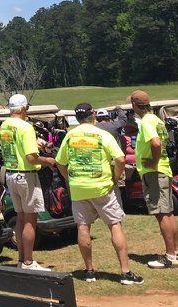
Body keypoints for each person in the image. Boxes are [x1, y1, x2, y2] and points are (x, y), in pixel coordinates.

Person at [56, 104, 144, 285]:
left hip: (79, 187)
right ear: (93, 115)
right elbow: (120, 158)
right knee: (114, 224)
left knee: (83, 227)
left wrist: (69, 179)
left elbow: (60, 162)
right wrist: (115, 177)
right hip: (102, 186)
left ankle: (89, 271)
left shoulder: (70, 135)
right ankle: (125, 272)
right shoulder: (102, 134)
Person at [0, 93, 56, 271]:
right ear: (23, 109)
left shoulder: (4, 126)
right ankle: (29, 261)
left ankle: (22, 259)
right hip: (26, 175)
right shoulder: (25, 127)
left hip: (11, 174)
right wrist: (48, 161)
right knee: (31, 219)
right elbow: (32, 158)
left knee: (21, 218)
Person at [128, 90, 178, 269]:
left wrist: (153, 161)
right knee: (168, 212)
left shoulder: (147, 121)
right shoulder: (157, 119)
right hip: (163, 170)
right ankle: (175, 251)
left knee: (161, 213)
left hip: (155, 171)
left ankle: (170, 256)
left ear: (135, 105)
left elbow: (156, 143)